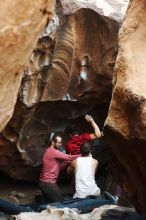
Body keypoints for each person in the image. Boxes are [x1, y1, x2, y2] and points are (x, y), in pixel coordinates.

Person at [39, 133, 80, 202]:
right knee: (60, 203)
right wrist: (84, 154)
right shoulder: (52, 151)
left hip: (44, 183)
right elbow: (69, 157)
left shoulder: (49, 151)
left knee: (49, 204)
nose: (60, 144)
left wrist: (67, 162)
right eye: (59, 143)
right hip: (48, 184)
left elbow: (58, 168)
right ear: (52, 142)